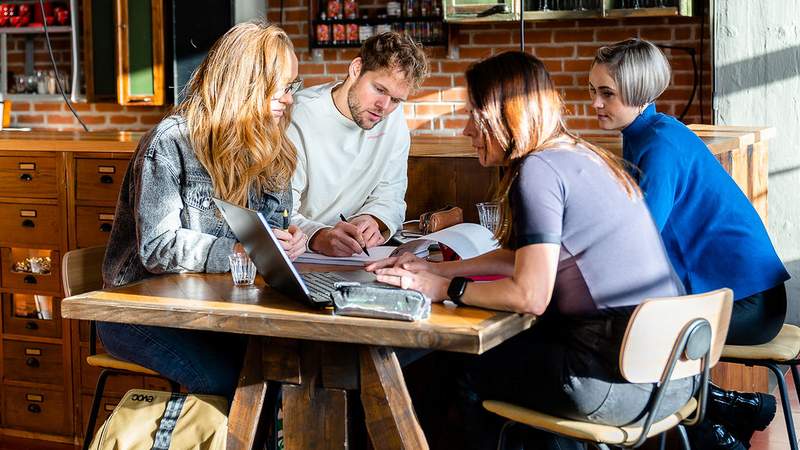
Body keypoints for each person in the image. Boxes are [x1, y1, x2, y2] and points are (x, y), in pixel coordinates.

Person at [367, 51, 695, 450]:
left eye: (474, 115)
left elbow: (530, 295)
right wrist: (437, 271)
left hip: (615, 383)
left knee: (458, 368)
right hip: (674, 374)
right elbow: (526, 259)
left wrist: (444, 291)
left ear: (503, 115)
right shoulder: (580, 153)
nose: (467, 131)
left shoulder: (539, 169)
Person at [589, 38, 791, 450]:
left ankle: (711, 435)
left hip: (749, 306)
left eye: (605, 93)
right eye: (593, 91)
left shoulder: (659, 145)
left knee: (631, 332)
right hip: (742, 297)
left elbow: (638, 239)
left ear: (637, 92)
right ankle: (730, 408)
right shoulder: (648, 132)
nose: (595, 103)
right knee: (627, 322)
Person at [99, 21, 307, 398]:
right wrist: (241, 252)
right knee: (230, 382)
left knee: (291, 371)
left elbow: (271, 229)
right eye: (281, 88)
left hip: (218, 309)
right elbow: (158, 249)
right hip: (136, 311)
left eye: (292, 87)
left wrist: (285, 244)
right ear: (244, 83)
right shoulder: (171, 141)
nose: (289, 99)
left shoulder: (272, 145)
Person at [287, 31, 428, 257]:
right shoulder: (299, 116)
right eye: (380, 90)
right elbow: (278, 212)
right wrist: (319, 236)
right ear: (356, 69)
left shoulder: (394, 121)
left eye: (396, 99)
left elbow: (390, 195)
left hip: (357, 256)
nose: (384, 106)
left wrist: (373, 219)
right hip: (299, 253)